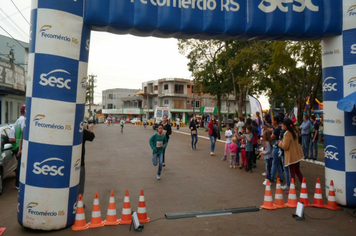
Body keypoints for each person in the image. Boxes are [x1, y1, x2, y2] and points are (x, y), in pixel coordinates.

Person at [278, 119, 304, 185]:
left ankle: (292, 187)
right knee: (297, 171)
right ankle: (303, 183)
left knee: (292, 172)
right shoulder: (294, 132)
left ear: (286, 126)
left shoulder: (287, 134)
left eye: (283, 125)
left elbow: (285, 146)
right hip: (297, 154)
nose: (282, 126)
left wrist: (280, 143)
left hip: (291, 156)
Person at [10, 105, 25, 190]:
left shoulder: (17, 121)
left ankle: (17, 184)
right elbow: (23, 133)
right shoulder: (23, 120)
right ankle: (19, 184)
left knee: (19, 165)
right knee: (21, 166)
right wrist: (20, 149)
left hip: (17, 146)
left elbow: (15, 135)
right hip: (21, 147)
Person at [79, 123, 95, 197]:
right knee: (80, 183)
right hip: (79, 162)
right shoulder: (81, 131)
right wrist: (90, 129)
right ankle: (79, 201)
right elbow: (92, 136)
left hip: (65, 161)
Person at [270, 115, 284, 184]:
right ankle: (281, 177)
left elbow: (272, 137)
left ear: (275, 121)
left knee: (274, 163)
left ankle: (271, 177)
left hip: (276, 147)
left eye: (273, 120)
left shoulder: (277, 129)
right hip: (280, 147)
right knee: (278, 163)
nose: (272, 122)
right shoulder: (281, 128)